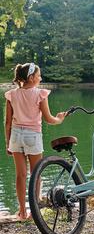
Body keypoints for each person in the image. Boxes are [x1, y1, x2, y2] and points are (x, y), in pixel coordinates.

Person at [4, 62, 67, 221]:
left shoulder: (12, 94)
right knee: (36, 174)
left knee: (20, 175)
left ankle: (21, 211)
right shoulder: (40, 94)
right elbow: (48, 119)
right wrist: (59, 119)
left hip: (16, 137)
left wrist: (8, 144)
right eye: (38, 75)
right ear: (31, 78)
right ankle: (34, 210)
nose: (40, 78)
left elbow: (7, 123)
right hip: (33, 136)